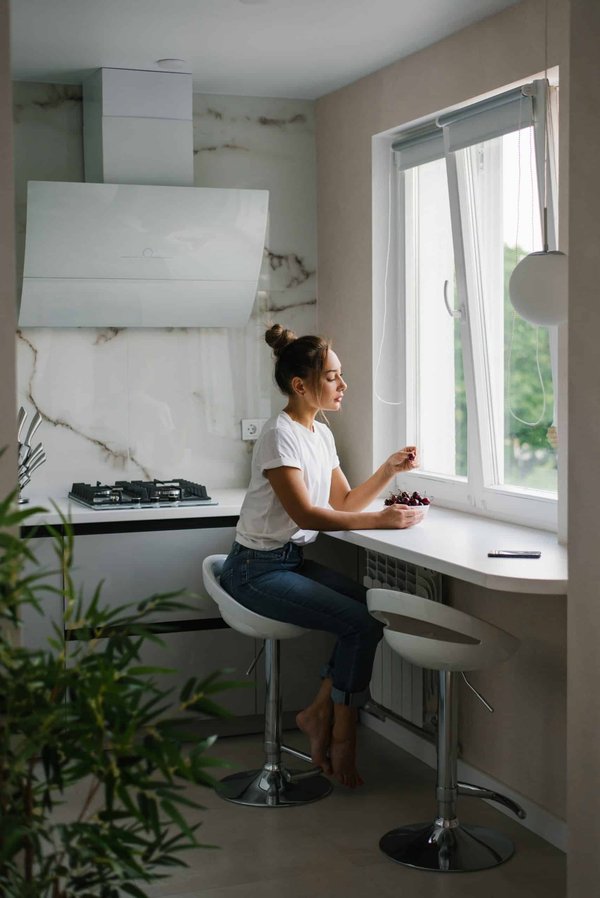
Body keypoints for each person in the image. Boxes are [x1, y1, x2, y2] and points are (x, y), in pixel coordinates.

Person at [220, 324, 423, 789]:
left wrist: (389, 471)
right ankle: (343, 734)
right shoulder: (279, 435)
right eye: (332, 377)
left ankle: (317, 713)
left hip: (287, 562)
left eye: (339, 375)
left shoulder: (320, 434)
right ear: (300, 385)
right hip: (253, 570)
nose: (343, 385)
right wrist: (382, 521)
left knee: (370, 610)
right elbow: (306, 512)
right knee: (361, 622)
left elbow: (345, 503)